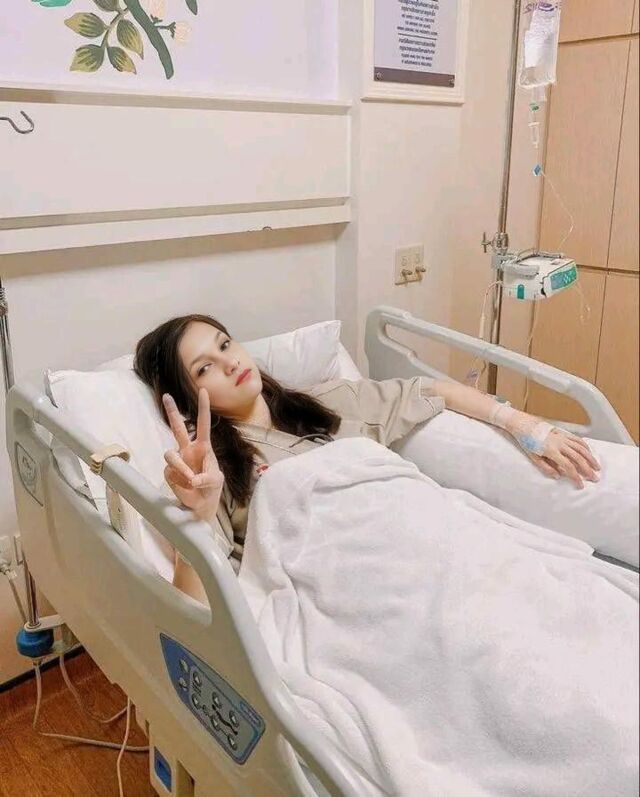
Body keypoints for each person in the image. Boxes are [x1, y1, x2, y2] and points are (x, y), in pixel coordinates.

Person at [134, 313, 600, 602]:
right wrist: (196, 519)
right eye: (205, 368)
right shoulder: (209, 474)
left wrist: (525, 426)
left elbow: (433, 391)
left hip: (436, 543)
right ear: (188, 396)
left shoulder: (327, 401)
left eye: (225, 344)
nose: (230, 362)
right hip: (362, 588)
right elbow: (195, 609)